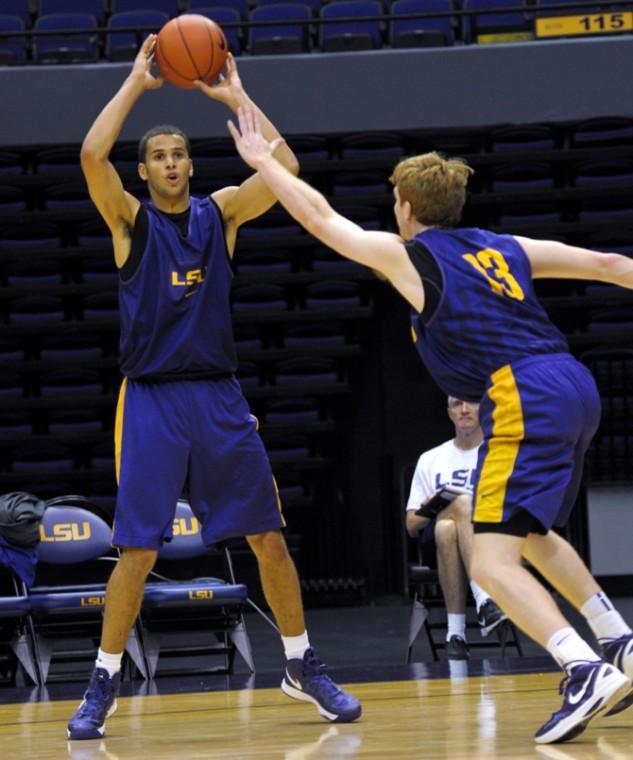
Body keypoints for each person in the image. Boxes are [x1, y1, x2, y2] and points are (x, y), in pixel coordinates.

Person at [227, 107, 633, 745]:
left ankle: (581, 667)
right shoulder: (507, 247)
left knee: (491, 561)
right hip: (575, 384)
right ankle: (618, 642)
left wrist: (262, 164)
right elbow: (613, 265)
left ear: (406, 207)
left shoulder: (413, 257)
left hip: (521, 393)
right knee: (528, 533)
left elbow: (320, 219)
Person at [67, 38, 360, 741]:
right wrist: (136, 84)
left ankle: (300, 664)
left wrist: (236, 99)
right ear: (143, 172)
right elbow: (88, 155)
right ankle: (102, 681)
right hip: (152, 398)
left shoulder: (221, 213)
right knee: (137, 551)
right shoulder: (129, 221)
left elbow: (284, 166)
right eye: (159, 157)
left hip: (219, 396)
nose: (171, 163)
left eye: (179, 154)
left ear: (191, 165)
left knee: (269, 539)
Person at [406, 396, 507, 659]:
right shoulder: (430, 459)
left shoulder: (499, 454)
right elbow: (411, 525)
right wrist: (433, 505)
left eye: (471, 403)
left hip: (492, 539)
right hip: (435, 550)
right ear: (449, 413)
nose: (464, 410)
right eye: (456, 404)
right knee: (454, 512)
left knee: (447, 528)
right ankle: (485, 600)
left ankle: (455, 634)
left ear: (483, 408)